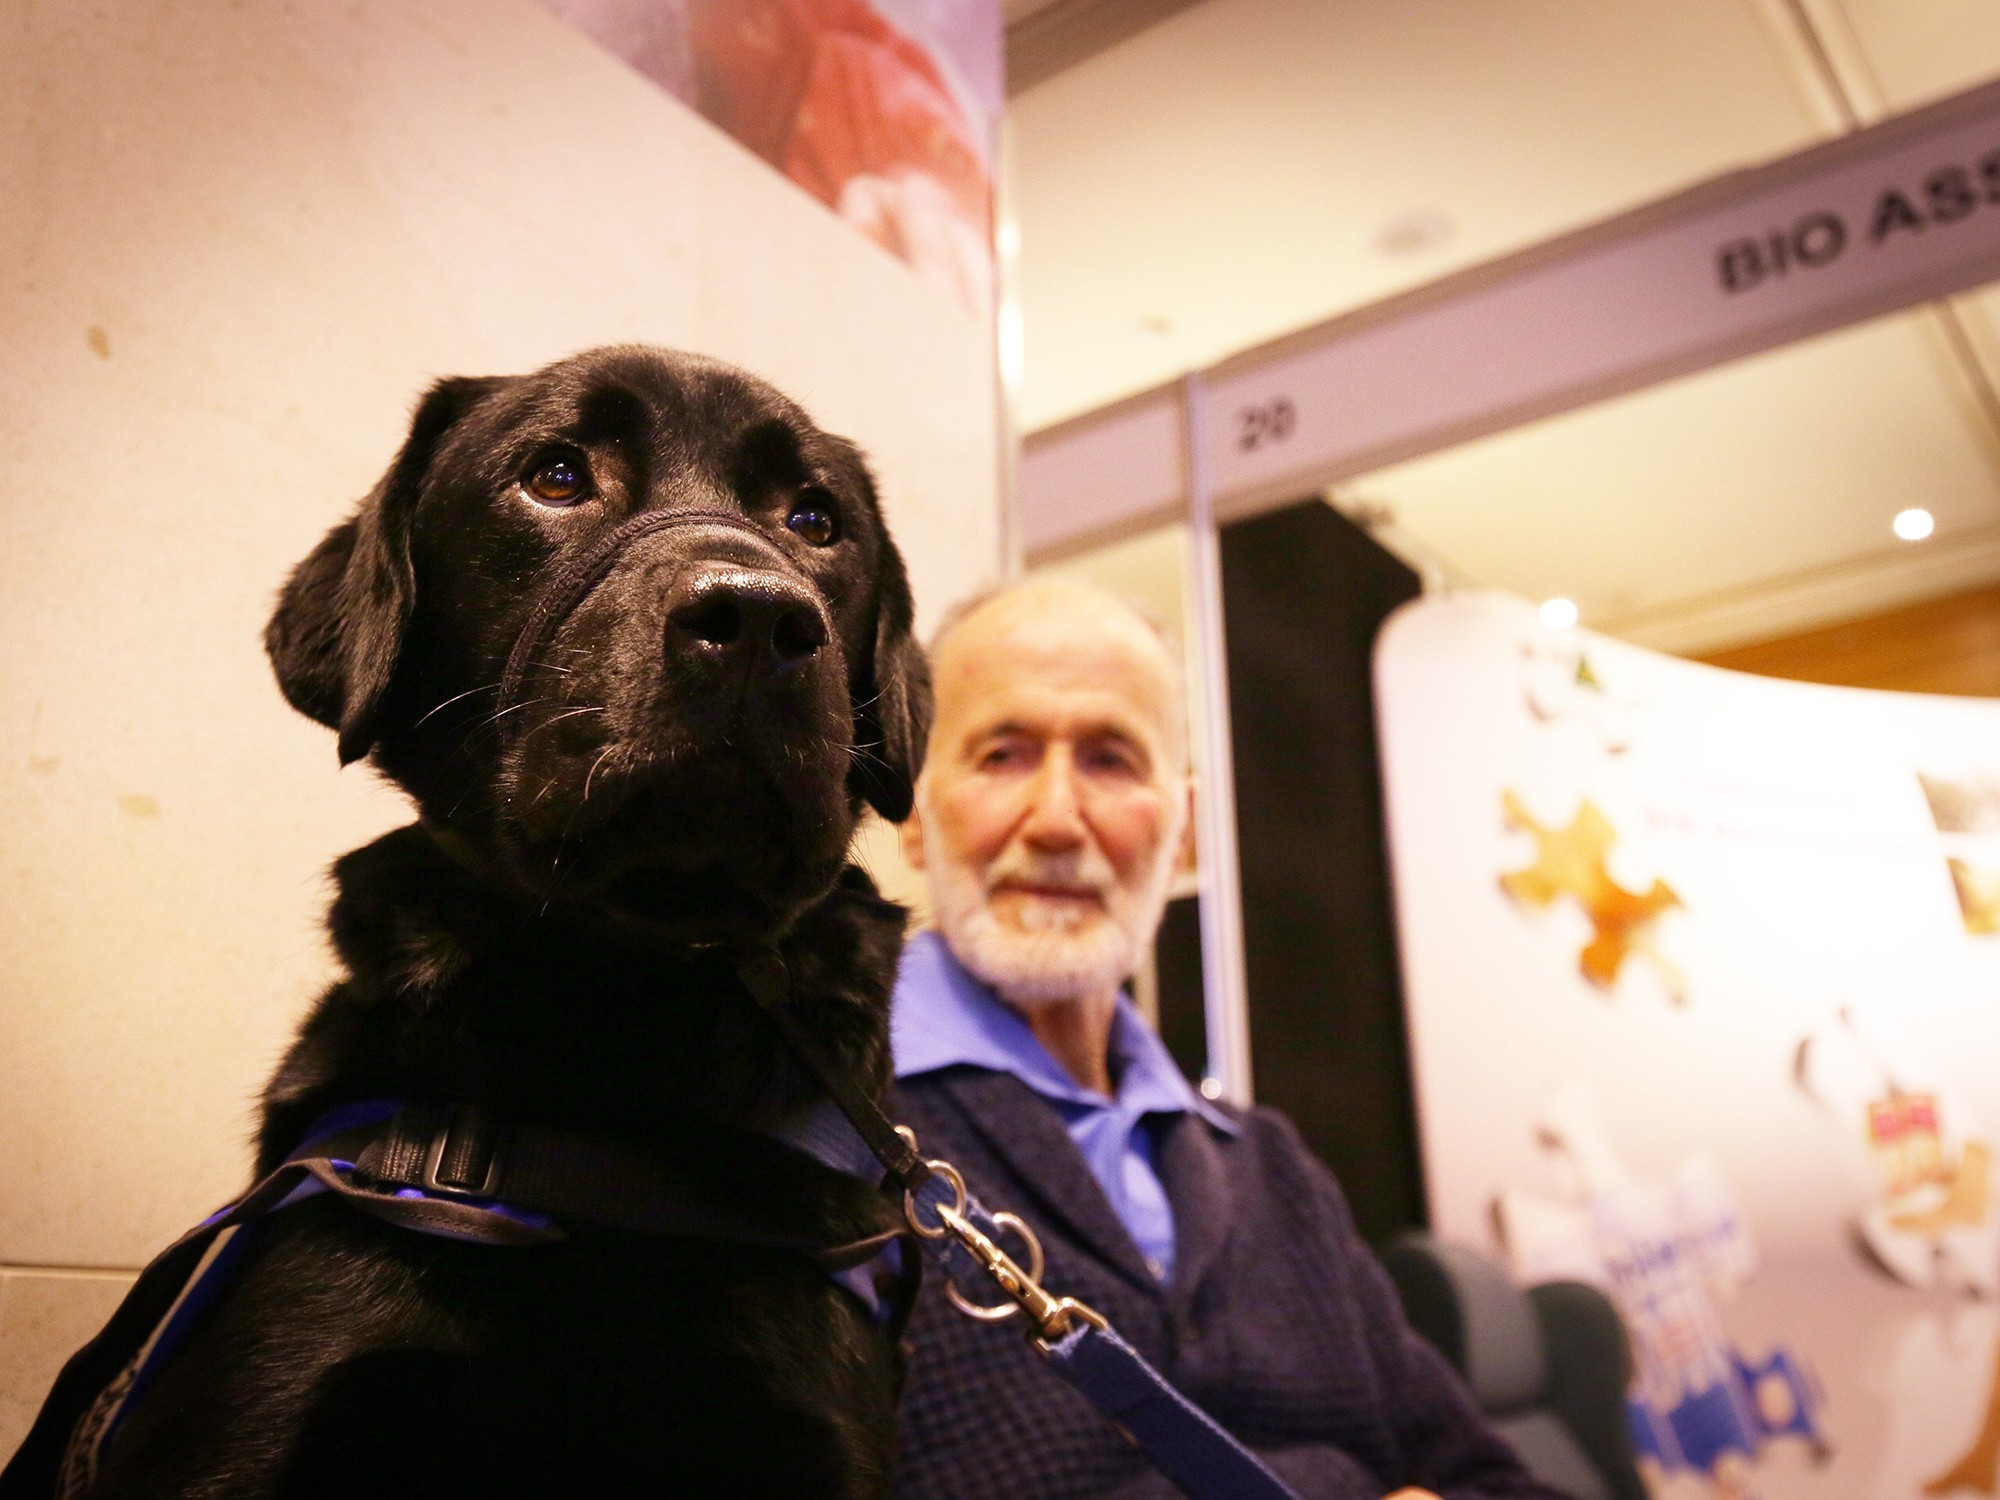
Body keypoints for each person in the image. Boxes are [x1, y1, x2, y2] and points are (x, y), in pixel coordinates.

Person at [887, 578, 1560, 1500]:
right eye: (1002, 754)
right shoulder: (820, 1141)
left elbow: (1495, 1479)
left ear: (1187, 833)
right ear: (915, 816)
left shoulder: (1271, 1173)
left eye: (1112, 760)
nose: (1053, 819)